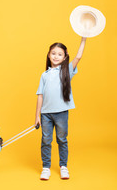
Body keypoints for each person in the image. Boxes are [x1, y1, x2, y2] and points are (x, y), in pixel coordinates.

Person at [35, 37, 87, 180]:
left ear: (65, 57)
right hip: (46, 114)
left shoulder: (67, 71)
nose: (56, 56)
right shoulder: (44, 75)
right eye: (53, 53)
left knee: (61, 139)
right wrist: (37, 116)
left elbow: (79, 56)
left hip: (61, 113)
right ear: (48, 55)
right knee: (46, 140)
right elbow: (40, 95)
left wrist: (84, 38)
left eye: (59, 54)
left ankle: (63, 166)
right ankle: (46, 167)